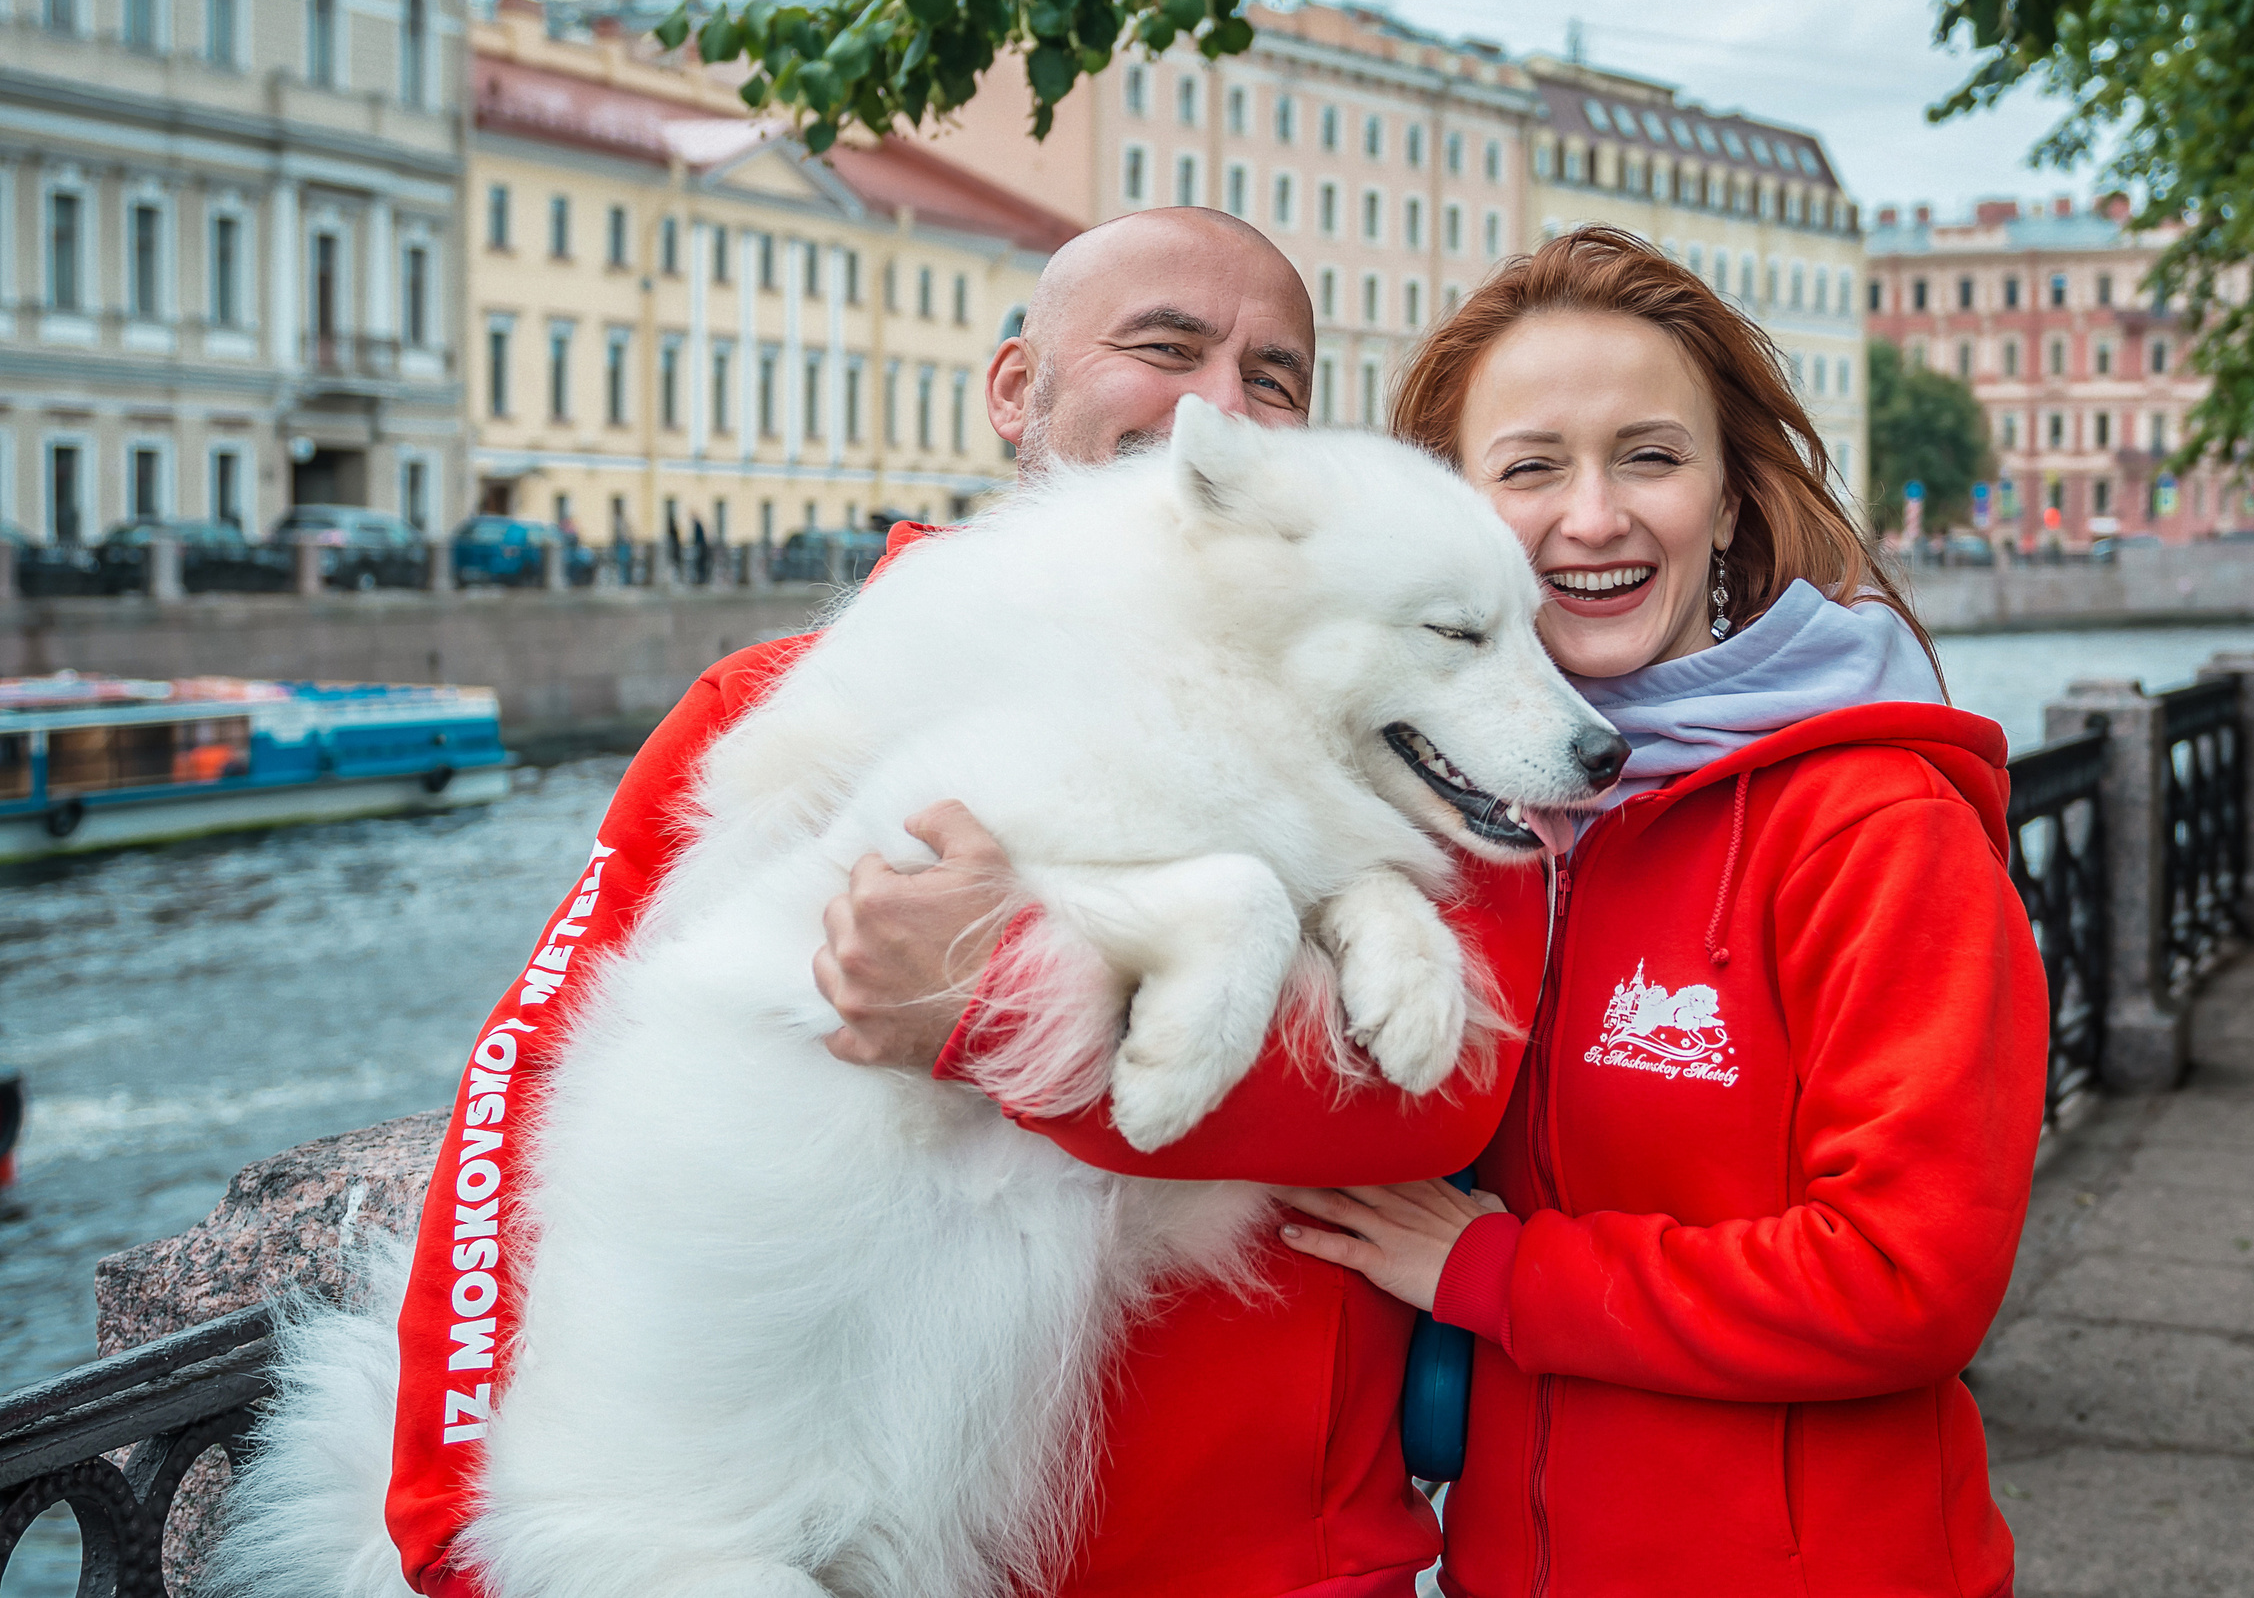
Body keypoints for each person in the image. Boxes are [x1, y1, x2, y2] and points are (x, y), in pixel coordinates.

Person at [385, 208, 1542, 1598]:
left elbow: (1435, 1099)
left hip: (1267, 1563)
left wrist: (987, 999)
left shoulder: (1410, 733)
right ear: (1016, 389)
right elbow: (535, 1084)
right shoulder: (765, 701)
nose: (1221, 404)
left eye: (1276, 379)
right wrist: (451, 1517)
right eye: (1163, 347)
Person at [1271, 227, 2047, 1597]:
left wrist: (1501, 1274)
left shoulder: (1873, 821)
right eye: (1529, 467)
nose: (1593, 516)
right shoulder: (1465, 819)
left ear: (1731, 501)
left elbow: (1906, 1281)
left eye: (1650, 455)